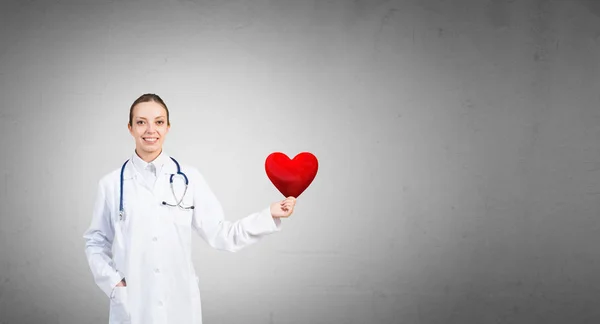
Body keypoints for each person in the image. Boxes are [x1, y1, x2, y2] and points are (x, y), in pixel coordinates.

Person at [83, 93, 296, 324]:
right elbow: (96, 242)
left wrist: (268, 215)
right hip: (133, 304)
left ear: (168, 127)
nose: (150, 130)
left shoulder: (190, 178)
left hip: (180, 304)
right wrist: (114, 283)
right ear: (130, 128)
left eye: (159, 122)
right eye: (141, 122)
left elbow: (221, 234)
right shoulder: (111, 184)